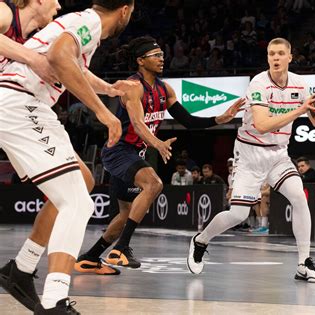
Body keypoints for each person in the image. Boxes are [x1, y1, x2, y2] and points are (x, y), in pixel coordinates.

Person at [0, 1, 136, 313]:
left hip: (22, 104)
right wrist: (104, 113)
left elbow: (73, 66)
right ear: (125, 10)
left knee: (83, 180)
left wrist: (109, 89)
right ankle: (54, 301)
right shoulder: (89, 23)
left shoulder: (80, 22)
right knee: (77, 202)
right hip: (20, 104)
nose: (59, 3)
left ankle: (20, 269)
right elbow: (59, 57)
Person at [74, 35, 244, 273]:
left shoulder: (165, 89)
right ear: (141, 61)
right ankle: (122, 247)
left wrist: (220, 119)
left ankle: (90, 258)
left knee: (124, 215)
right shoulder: (132, 88)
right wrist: (157, 143)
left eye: (162, 55)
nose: (162, 58)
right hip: (118, 151)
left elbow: (188, 121)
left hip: (134, 154)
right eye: (156, 56)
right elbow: (138, 123)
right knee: (154, 184)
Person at [187, 37, 315, 283]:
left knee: (299, 198)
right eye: (272, 53)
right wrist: (299, 111)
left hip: (278, 154)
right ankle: (201, 240)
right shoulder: (258, 83)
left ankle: (304, 263)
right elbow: (261, 125)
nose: (275, 58)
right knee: (238, 214)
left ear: (290, 57)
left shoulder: (300, 84)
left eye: (281, 53)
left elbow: (314, 118)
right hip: (249, 154)